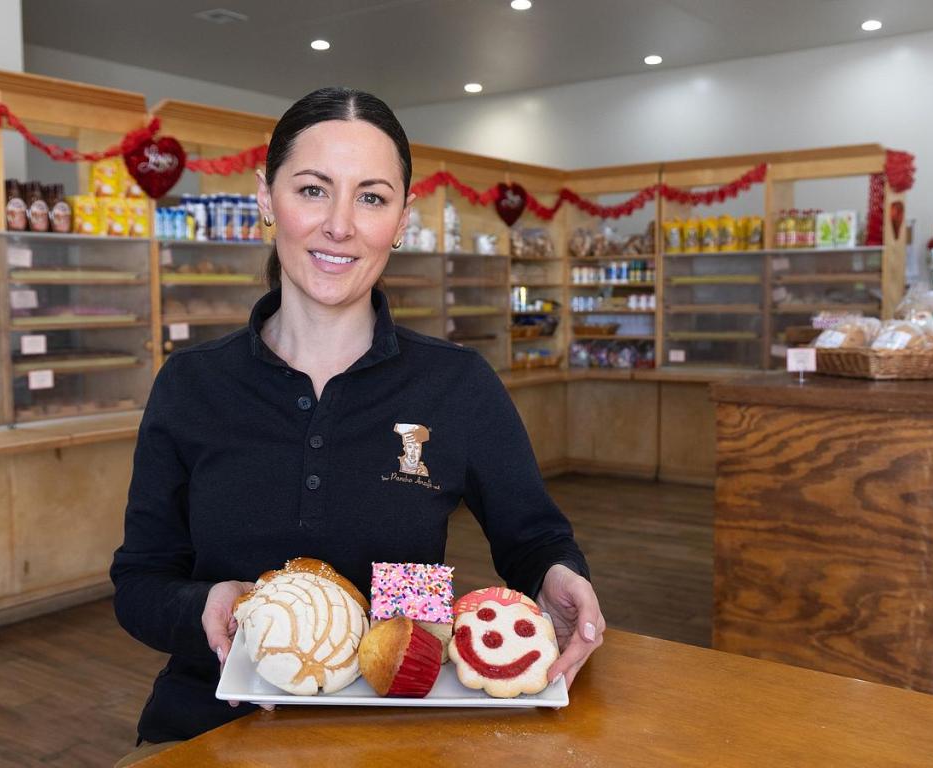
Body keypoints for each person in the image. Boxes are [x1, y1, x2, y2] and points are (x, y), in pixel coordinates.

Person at [110, 86, 605, 761]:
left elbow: (533, 538)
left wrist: (558, 576)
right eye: (313, 189)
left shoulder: (455, 384)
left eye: (371, 197)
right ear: (265, 197)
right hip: (214, 730)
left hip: (397, 734)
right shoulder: (192, 385)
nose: (339, 225)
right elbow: (140, 582)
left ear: (401, 218)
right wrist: (204, 604)